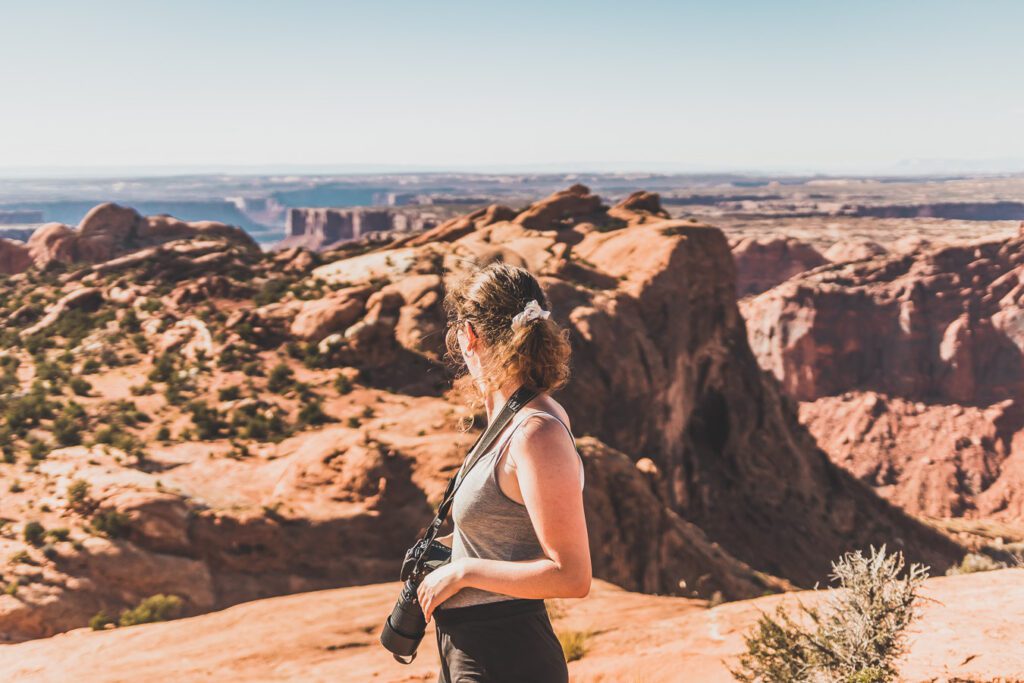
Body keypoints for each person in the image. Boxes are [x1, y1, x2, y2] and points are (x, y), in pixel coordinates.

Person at [415, 261, 591, 683]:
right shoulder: (511, 422)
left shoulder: (537, 431)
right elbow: (509, 532)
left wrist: (463, 572)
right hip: (473, 652)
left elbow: (572, 575)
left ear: (469, 335)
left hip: (507, 657)